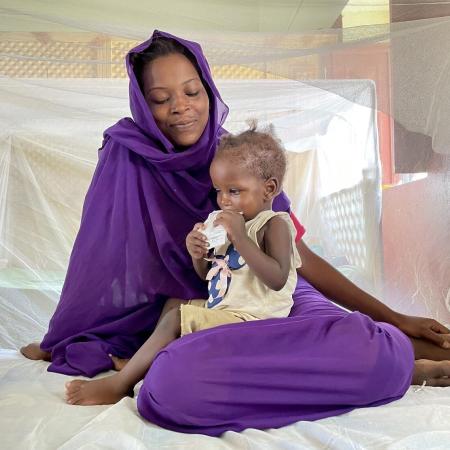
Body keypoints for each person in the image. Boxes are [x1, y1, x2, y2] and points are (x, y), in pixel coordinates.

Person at [20, 31, 450, 435]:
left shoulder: (238, 156)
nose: (181, 107)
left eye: (192, 91)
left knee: (375, 340)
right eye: (160, 98)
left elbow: (298, 263)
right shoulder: (127, 155)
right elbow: (97, 258)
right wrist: (63, 335)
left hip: (273, 293)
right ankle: (386, 364)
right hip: (205, 304)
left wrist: (392, 316)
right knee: (174, 383)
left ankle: (394, 359)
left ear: (208, 89)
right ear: (141, 103)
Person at [64, 126, 302, 405]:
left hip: (256, 322)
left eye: (234, 191)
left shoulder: (273, 225)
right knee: (174, 304)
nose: (224, 200)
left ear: (269, 188)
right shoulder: (225, 223)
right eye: (219, 191)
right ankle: (143, 362)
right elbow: (208, 278)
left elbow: (277, 278)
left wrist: (240, 236)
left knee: (177, 319)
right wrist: (197, 254)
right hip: (226, 312)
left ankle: (120, 384)